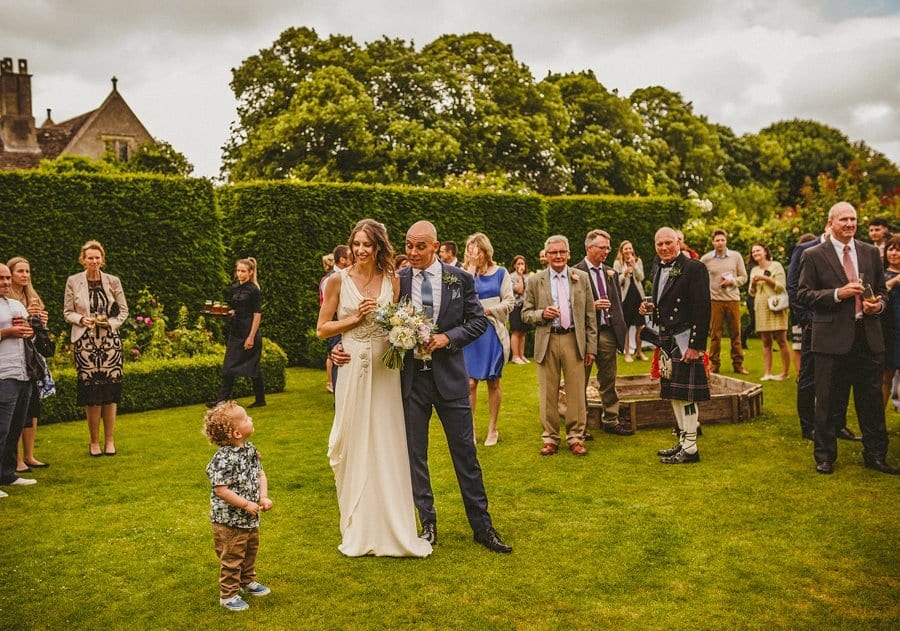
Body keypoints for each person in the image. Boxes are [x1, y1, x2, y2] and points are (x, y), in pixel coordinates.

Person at [317, 219, 431, 557]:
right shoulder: (338, 280)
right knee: (352, 439)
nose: (361, 250)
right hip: (352, 364)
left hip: (385, 368)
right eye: (356, 244)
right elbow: (322, 328)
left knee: (386, 439)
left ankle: (392, 525)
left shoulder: (392, 280)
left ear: (378, 246)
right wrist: (354, 319)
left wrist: (402, 334)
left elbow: (396, 321)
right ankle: (357, 524)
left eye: (367, 244)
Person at [397, 220, 510, 552]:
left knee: (466, 455)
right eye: (408, 245)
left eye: (420, 246)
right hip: (411, 381)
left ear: (435, 247)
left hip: (450, 379)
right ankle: (428, 524)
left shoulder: (459, 279)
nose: (413, 252)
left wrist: (448, 337)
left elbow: (477, 321)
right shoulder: (398, 279)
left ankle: (482, 527)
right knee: (416, 456)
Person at [797, 201, 896, 475]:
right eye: (844, 219)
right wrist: (836, 294)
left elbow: (881, 291)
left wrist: (879, 305)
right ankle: (825, 456)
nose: (850, 224)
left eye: (853, 219)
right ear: (831, 223)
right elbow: (803, 294)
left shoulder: (869, 252)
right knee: (827, 401)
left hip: (868, 337)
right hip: (831, 340)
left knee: (872, 401)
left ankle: (875, 455)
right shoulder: (814, 255)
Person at [639, 227, 711, 464]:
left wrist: (695, 345)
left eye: (668, 242)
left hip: (685, 339)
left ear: (678, 243)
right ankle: (683, 441)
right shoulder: (658, 266)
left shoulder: (694, 268)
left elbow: (702, 309)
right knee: (674, 394)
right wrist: (652, 309)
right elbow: (666, 302)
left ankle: (691, 448)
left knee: (687, 396)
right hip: (667, 339)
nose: (664, 247)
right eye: (659, 244)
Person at [522, 235, 597, 456]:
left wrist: (591, 347)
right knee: (548, 392)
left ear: (569, 254)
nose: (558, 256)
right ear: (545, 256)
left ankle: (576, 437)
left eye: (562, 252)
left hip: (574, 339)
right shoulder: (535, 281)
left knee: (576, 392)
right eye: (553, 252)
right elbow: (525, 314)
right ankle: (550, 437)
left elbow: (590, 315)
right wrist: (542, 314)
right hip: (548, 339)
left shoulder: (581, 278)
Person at [203, 401, 273, 611]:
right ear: (236, 433)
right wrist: (245, 504)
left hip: (249, 517)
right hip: (229, 521)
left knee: (250, 550)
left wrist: (263, 497)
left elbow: (260, 474)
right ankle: (228, 595)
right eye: (245, 418)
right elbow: (220, 490)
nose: (250, 419)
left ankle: (247, 581)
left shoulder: (250, 450)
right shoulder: (223, 458)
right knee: (233, 556)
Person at [787, 225, 856, 441]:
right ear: (829, 226)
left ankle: (838, 424)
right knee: (809, 376)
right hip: (814, 323)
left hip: (842, 324)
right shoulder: (805, 249)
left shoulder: (849, 251)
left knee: (841, 376)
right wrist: (806, 319)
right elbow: (794, 287)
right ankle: (808, 427)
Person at [63, 240, 129, 457]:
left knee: (110, 392)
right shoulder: (73, 281)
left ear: (102, 259)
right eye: (90, 258)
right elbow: (67, 312)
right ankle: (94, 442)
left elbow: (124, 311)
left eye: (97, 257)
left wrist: (109, 323)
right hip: (85, 343)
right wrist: (82, 320)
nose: (94, 261)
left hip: (110, 343)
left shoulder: (113, 281)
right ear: (83, 260)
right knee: (91, 392)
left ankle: (109, 440)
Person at [575, 230, 632, 437]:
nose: (607, 251)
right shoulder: (575, 272)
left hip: (607, 332)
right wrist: (593, 305)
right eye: (602, 247)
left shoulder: (610, 272)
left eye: (608, 247)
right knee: (579, 380)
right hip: (584, 334)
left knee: (609, 379)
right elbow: (571, 305)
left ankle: (611, 420)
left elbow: (617, 302)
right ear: (589, 248)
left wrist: (620, 329)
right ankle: (580, 426)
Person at [462, 233, 515, 446]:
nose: (474, 255)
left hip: (492, 332)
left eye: (477, 251)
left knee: (493, 382)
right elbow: (460, 298)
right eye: (470, 251)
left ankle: (493, 429)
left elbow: (509, 302)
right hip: (470, 333)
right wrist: (471, 268)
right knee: (470, 383)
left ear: (486, 251)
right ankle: (471, 429)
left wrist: (489, 310)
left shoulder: (500, 273)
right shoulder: (464, 273)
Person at [7, 257, 50, 472]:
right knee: (16, 412)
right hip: (14, 356)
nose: (25, 275)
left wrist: (41, 321)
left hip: (33, 359)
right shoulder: (7, 300)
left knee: (32, 408)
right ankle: (16, 459)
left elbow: (39, 332)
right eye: (20, 271)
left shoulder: (33, 297)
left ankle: (29, 455)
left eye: (27, 271)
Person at [0, 263, 38, 494]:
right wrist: (7, 333)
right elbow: (10, 334)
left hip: (23, 373)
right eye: (1, 278)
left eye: (6, 278)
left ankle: (7, 474)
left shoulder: (16, 305)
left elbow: (29, 336)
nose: (5, 282)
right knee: (1, 430)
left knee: (15, 428)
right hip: (3, 375)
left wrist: (31, 330)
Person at [211, 258, 265, 408]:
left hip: (249, 331)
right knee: (228, 366)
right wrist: (230, 312)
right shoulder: (234, 288)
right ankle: (221, 399)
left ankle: (260, 399)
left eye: (243, 271)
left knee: (253, 367)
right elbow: (235, 308)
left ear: (250, 272)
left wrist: (251, 337)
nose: (240, 274)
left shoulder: (254, 290)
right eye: (238, 270)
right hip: (235, 331)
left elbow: (257, 315)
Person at [700, 229, 749, 375]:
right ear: (713, 242)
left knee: (736, 334)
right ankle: (714, 364)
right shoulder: (706, 259)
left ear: (726, 241)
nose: (720, 243)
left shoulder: (735, 256)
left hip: (733, 299)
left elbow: (744, 277)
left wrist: (732, 281)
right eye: (717, 240)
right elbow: (698, 276)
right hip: (715, 301)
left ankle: (738, 364)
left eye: (722, 240)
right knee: (715, 334)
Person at [747, 244, 790, 381]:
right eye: (753, 251)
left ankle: (785, 373)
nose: (755, 253)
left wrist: (766, 279)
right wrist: (753, 283)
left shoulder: (776, 266)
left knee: (781, 340)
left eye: (758, 250)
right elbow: (751, 292)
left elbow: (781, 287)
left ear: (765, 252)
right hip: (761, 307)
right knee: (766, 341)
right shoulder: (754, 270)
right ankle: (767, 373)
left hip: (776, 305)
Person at [322, 245, 351, 394]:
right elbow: (329, 308)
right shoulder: (331, 279)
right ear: (342, 260)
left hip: (349, 328)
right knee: (338, 360)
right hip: (336, 327)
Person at [613, 240, 648, 362]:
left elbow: (641, 277)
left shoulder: (638, 261)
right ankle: (627, 353)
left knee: (640, 326)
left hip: (638, 297)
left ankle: (639, 352)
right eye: (626, 249)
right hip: (626, 298)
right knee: (626, 327)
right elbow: (616, 282)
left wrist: (634, 265)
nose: (628, 251)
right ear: (622, 251)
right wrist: (624, 273)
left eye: (630, 248)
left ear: (632, 250)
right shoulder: (618, 263)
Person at [880, 235, 900, 410]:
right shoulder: (881, 273)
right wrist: (894, 281)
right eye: (891, 249)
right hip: (888, 333)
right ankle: (877, 420)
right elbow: (875, 294)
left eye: (898, 250)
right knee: (885, 377)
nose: (893, 253)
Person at [507, 255, 530, 365]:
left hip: (524, 306)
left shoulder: (527, 277)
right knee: (516, 331)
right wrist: (520, 276)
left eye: (523, 264)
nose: (521, 266)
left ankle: (522, 355)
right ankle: (515, 356)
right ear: (514, 265)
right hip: (515, 306)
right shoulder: (511, 277)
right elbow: (519, 290)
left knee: (523, 332)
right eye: (519, 263)